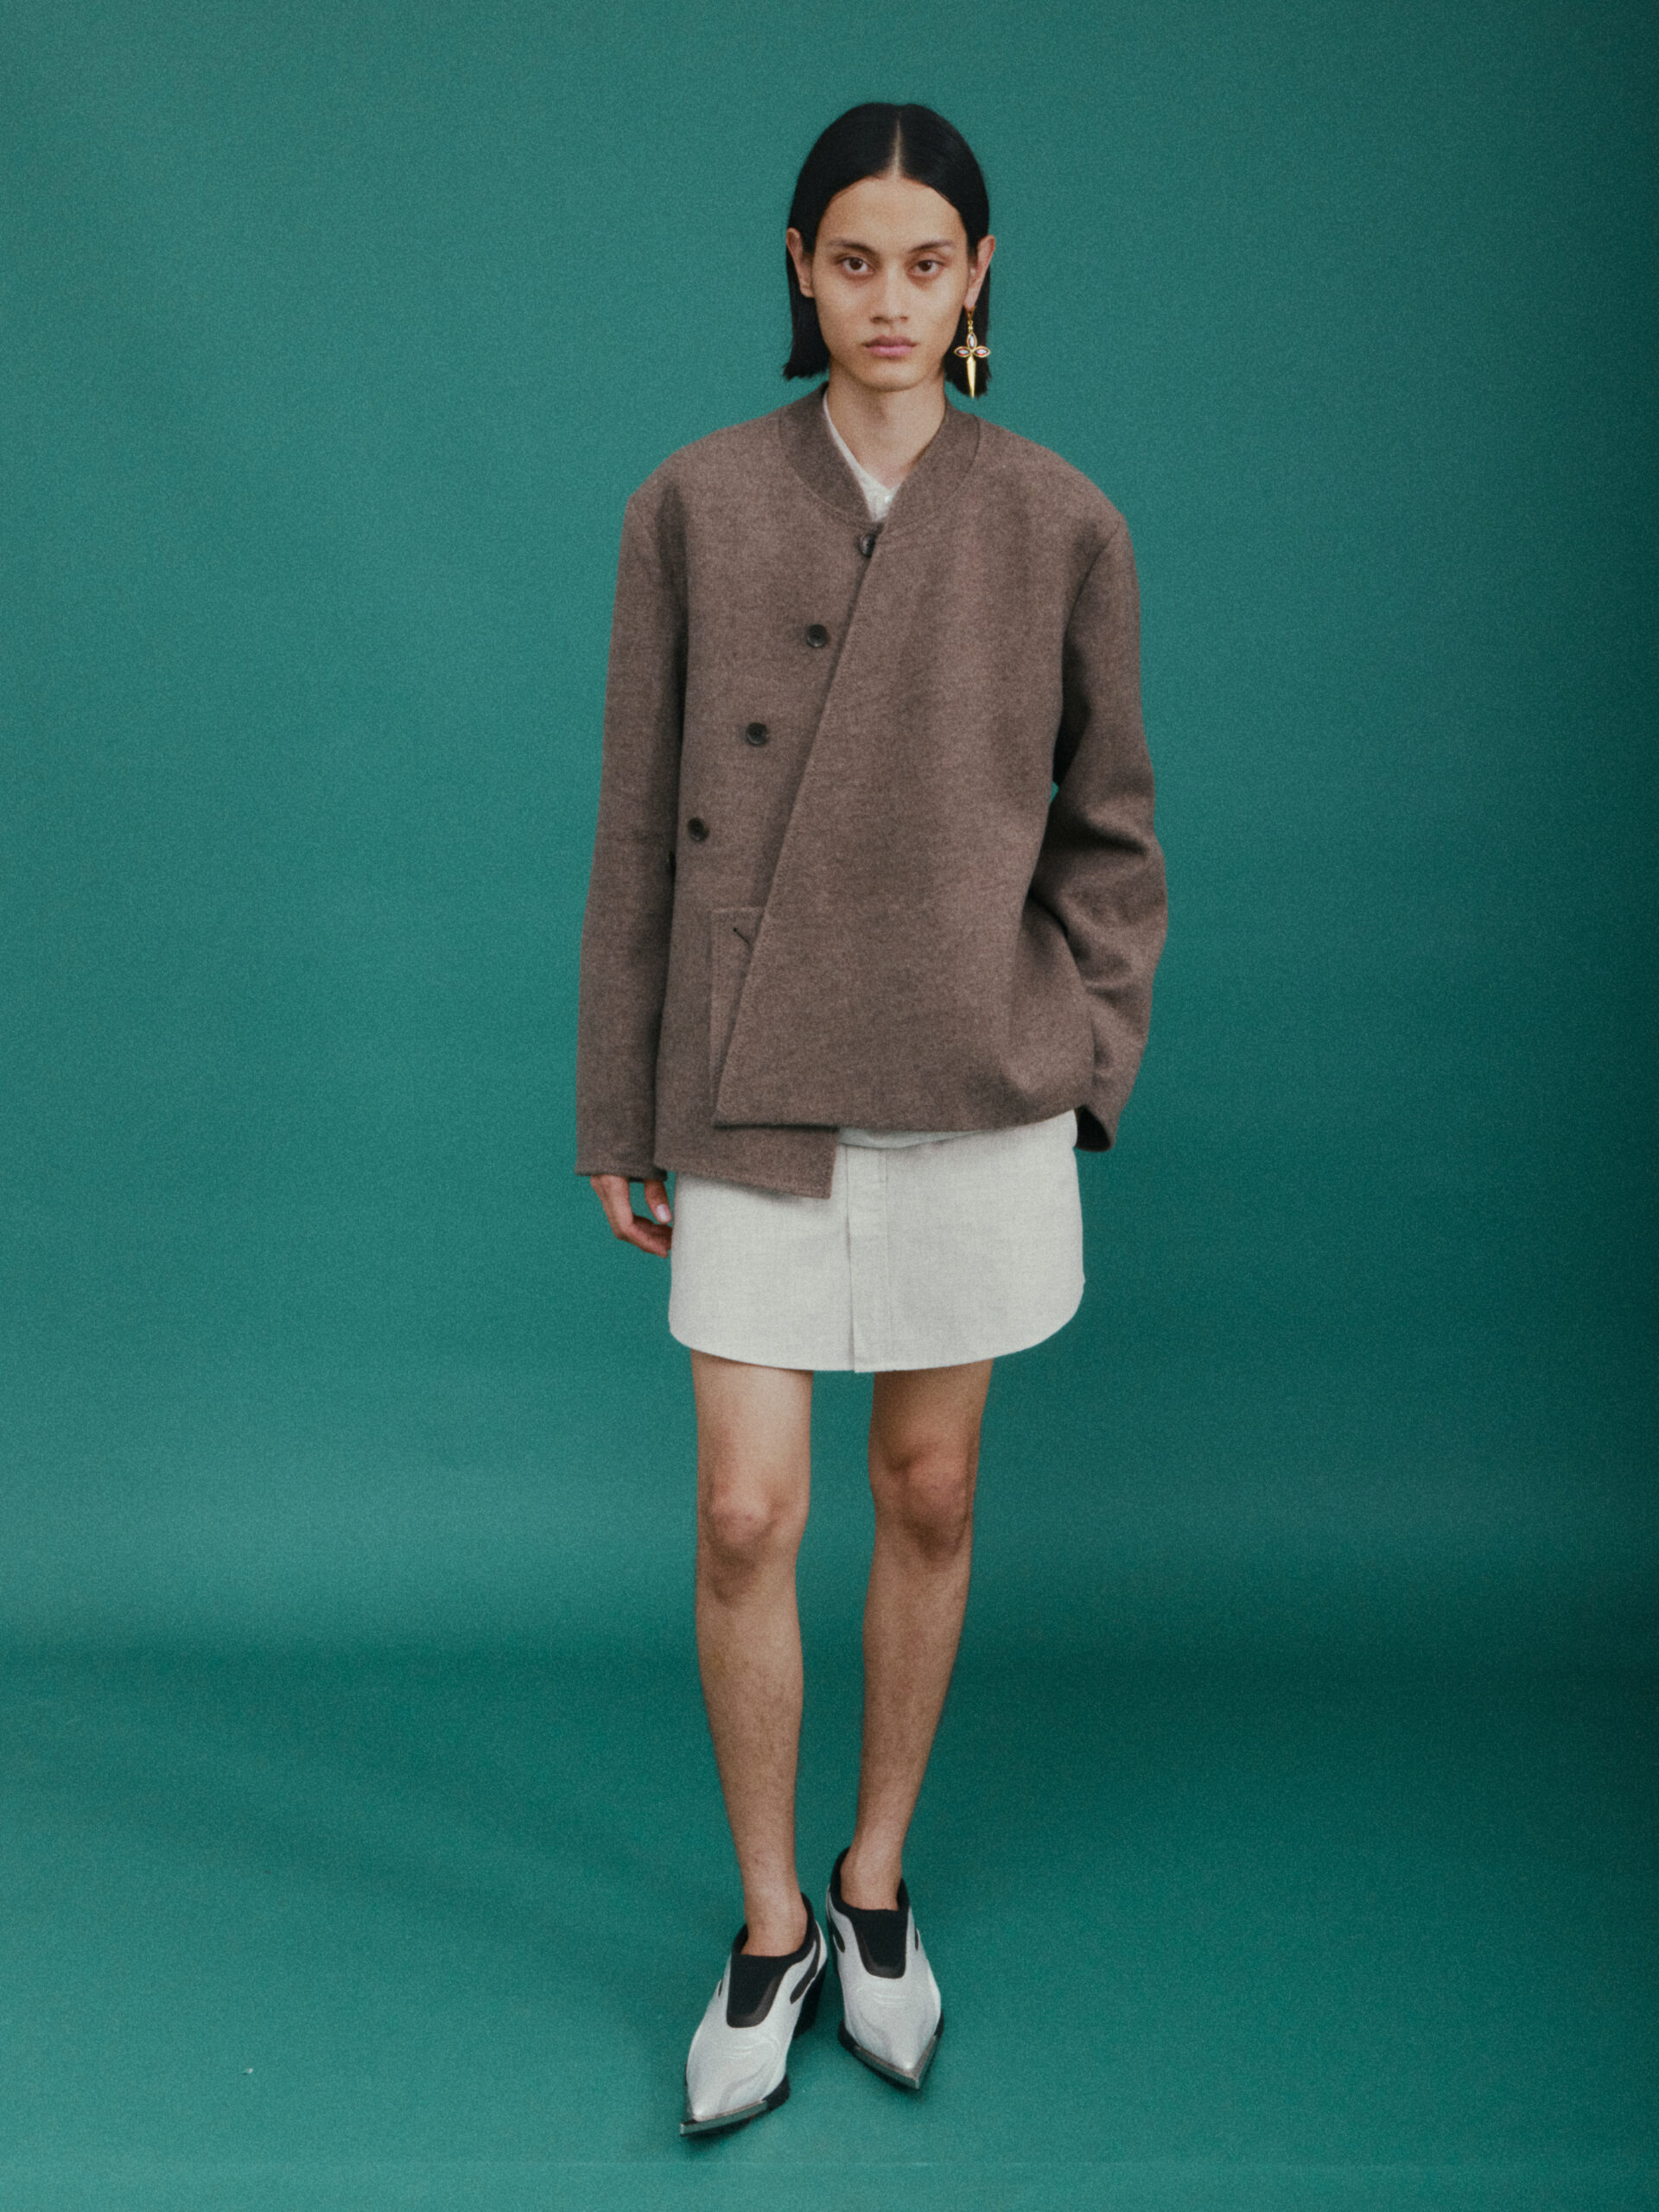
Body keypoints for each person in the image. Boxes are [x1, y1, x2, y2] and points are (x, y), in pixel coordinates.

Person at [575, 100, 1166, 2136]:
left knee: (930, 1490)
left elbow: (1114, 830)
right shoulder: (690, 502)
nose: (890, 298)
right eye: (853, 260)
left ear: (978, 274)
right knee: (747, 1509)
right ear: (800, 268)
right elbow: (635, 826)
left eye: (926, 262)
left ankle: (874, 1883)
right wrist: (618, 1096)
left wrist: (1078, 1042)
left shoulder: (1061, 519)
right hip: (745, 1081)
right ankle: (767, 1926)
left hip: (971, 1086)